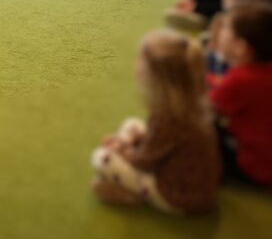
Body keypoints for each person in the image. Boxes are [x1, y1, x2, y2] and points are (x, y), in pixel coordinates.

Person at [90, 30, 220, 215]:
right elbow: (161, 144)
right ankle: (129, 162)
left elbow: (142, 162)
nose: (137, 68)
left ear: (159, 82)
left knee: (101, 158)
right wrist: (132, 141)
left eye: (141, 65)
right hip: (194, 182)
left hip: (178, 196)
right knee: (132, 124)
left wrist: (121, 149)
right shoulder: (191, 104)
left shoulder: (169, 119)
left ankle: (135, 196)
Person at [209, 4, 272, 187]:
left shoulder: (242, 79)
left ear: (241, 48)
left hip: (257, 167)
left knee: (193, 130)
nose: (220, 30)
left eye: (225, 27)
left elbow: (205, 109)